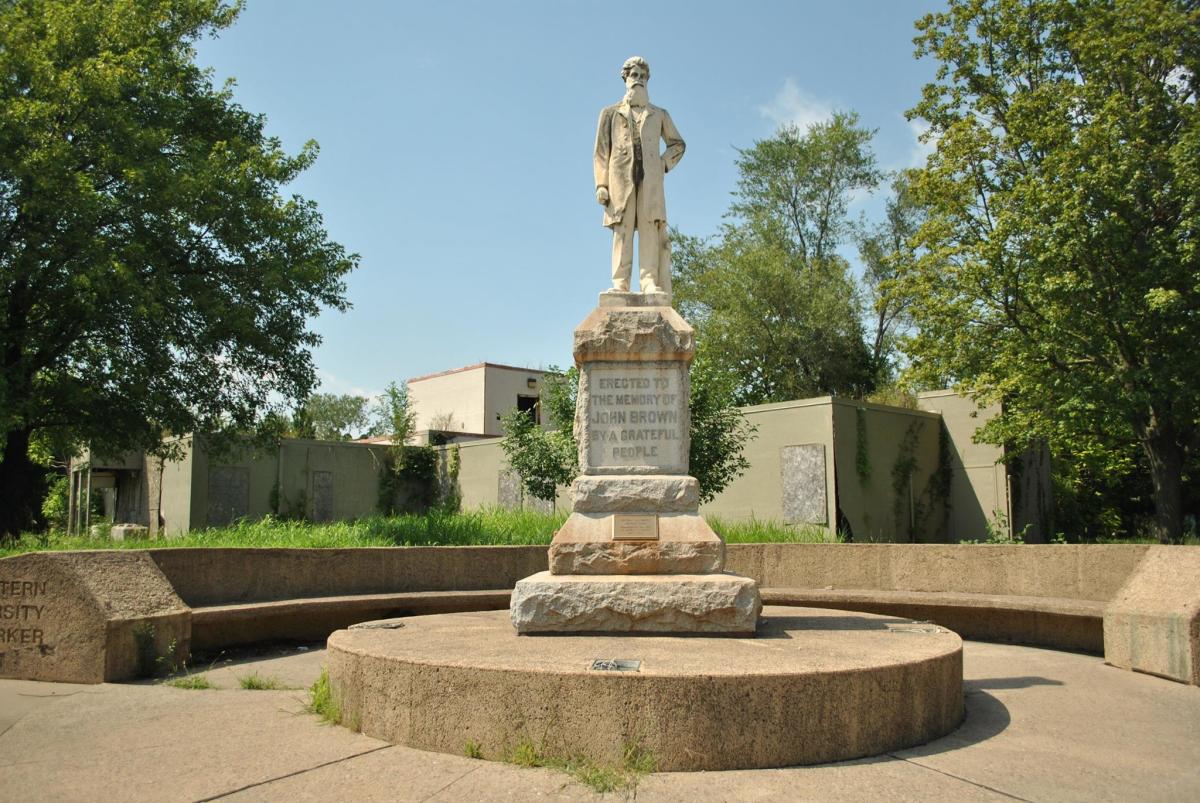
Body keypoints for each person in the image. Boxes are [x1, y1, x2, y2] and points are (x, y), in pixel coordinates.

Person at [593, 56, 685, 294]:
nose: (639, 80)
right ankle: (620, 283)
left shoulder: (659, 114)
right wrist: (601, 184)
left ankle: (648, 281)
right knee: (622, 230)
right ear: (625, 78)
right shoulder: (610, 113)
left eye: (643, 76)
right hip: (620, 182)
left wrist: (663, 165)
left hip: (650, 180)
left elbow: (677, 144)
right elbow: (602, 152)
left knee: (649, 230)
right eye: (634, 75)